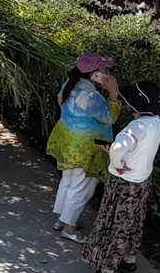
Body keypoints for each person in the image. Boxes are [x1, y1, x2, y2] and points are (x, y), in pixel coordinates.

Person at [82, 81, 160, 273]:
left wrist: (117, 164)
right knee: (134, 221)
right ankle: (129, 261)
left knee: (114, 225)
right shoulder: (156, 122)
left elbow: (118, 148)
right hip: (142, 180)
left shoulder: (137, 126)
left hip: (123, 183)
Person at [47, 52, 120, 242]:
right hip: (86, 148)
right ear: (94, 74)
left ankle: (61, 219)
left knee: (68, 181)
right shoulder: (90, 96)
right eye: (103, 70)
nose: (106, 72)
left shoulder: (70, 85)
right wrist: (113, 94)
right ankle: (69, 228)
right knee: (81, 188)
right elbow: (110, 117)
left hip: (69, 144)